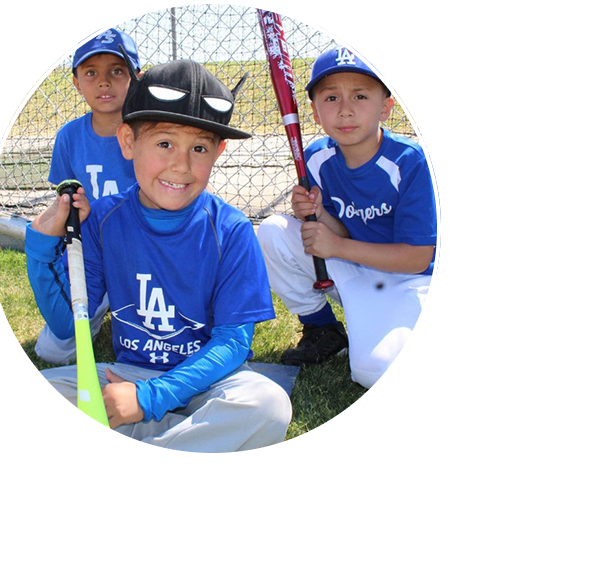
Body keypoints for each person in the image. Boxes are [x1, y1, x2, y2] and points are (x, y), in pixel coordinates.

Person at [25, 57, 292, 452]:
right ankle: (180, 439)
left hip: (208, 378)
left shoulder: (231, 228)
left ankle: (144, 433)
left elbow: (233, 343)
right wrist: (40, 246)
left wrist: (149, 399)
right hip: (130, 373)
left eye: (199, 147)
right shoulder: (104, 219)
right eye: (164, 143)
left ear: (217, 151)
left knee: (267, 405)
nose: (181, 165)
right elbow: (68, 325)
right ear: (129, 142)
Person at [257, 47, 437, 389]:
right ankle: (324, 329)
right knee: (273, 231)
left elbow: (417, 258)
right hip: (354, 272)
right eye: (331, 97)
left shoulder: (409, 161)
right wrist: (320, 215)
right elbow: (343, 233)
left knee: (375, 372)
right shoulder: (316, 158)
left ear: (385, 107)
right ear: (314, 112)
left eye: (360, 96)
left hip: (408, 283)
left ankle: (383, 327)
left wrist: (336, 245)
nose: (345, 109)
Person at [36, 29, 141, 365]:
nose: (104, 82)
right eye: (91, 73)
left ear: (136, 78)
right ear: (76, 82)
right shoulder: (70, 137)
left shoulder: (150, 132)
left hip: (141, 254)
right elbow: (63, 201)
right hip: (91, 255)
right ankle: (100, 304)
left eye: (117, 71)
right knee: (54, 349)